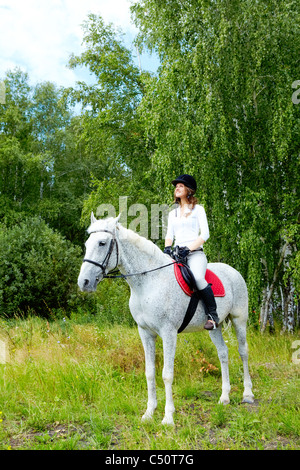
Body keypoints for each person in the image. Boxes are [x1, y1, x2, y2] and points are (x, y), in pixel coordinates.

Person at [164, 174, 219, 330]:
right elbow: (169, 236)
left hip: (195, 254)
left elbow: (205, 235)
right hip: (177, 254)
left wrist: (188, 249)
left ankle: (213, 316)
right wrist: (167, 248)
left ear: (188, 190)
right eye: (176, 186)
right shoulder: (172, 213)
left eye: (180, 186)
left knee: (198, 277)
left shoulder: (198, 210)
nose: (177, 188)